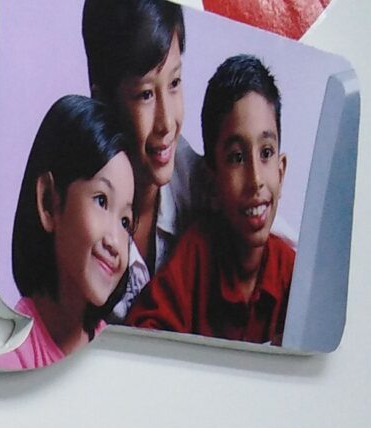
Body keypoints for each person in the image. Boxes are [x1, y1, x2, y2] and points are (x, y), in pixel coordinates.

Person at [124, 52, 293, 344]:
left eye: (266, 153)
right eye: (236, 157)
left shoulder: (292, 272)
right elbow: (141, 334)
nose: (255, 179)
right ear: (211, 183)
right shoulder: (198, 254)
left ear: (281, 171)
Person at [0, 94, 134, 372]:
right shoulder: (13, 356)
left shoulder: (115, 355)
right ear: (49, 202)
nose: (115, 242)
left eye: (125, 222)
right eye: (101, 200)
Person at [79, 0, 202, 317]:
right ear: (102, 100)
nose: (167, 123)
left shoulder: (198, 181)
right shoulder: (78, 215)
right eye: (146, 94)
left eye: (174, 83)